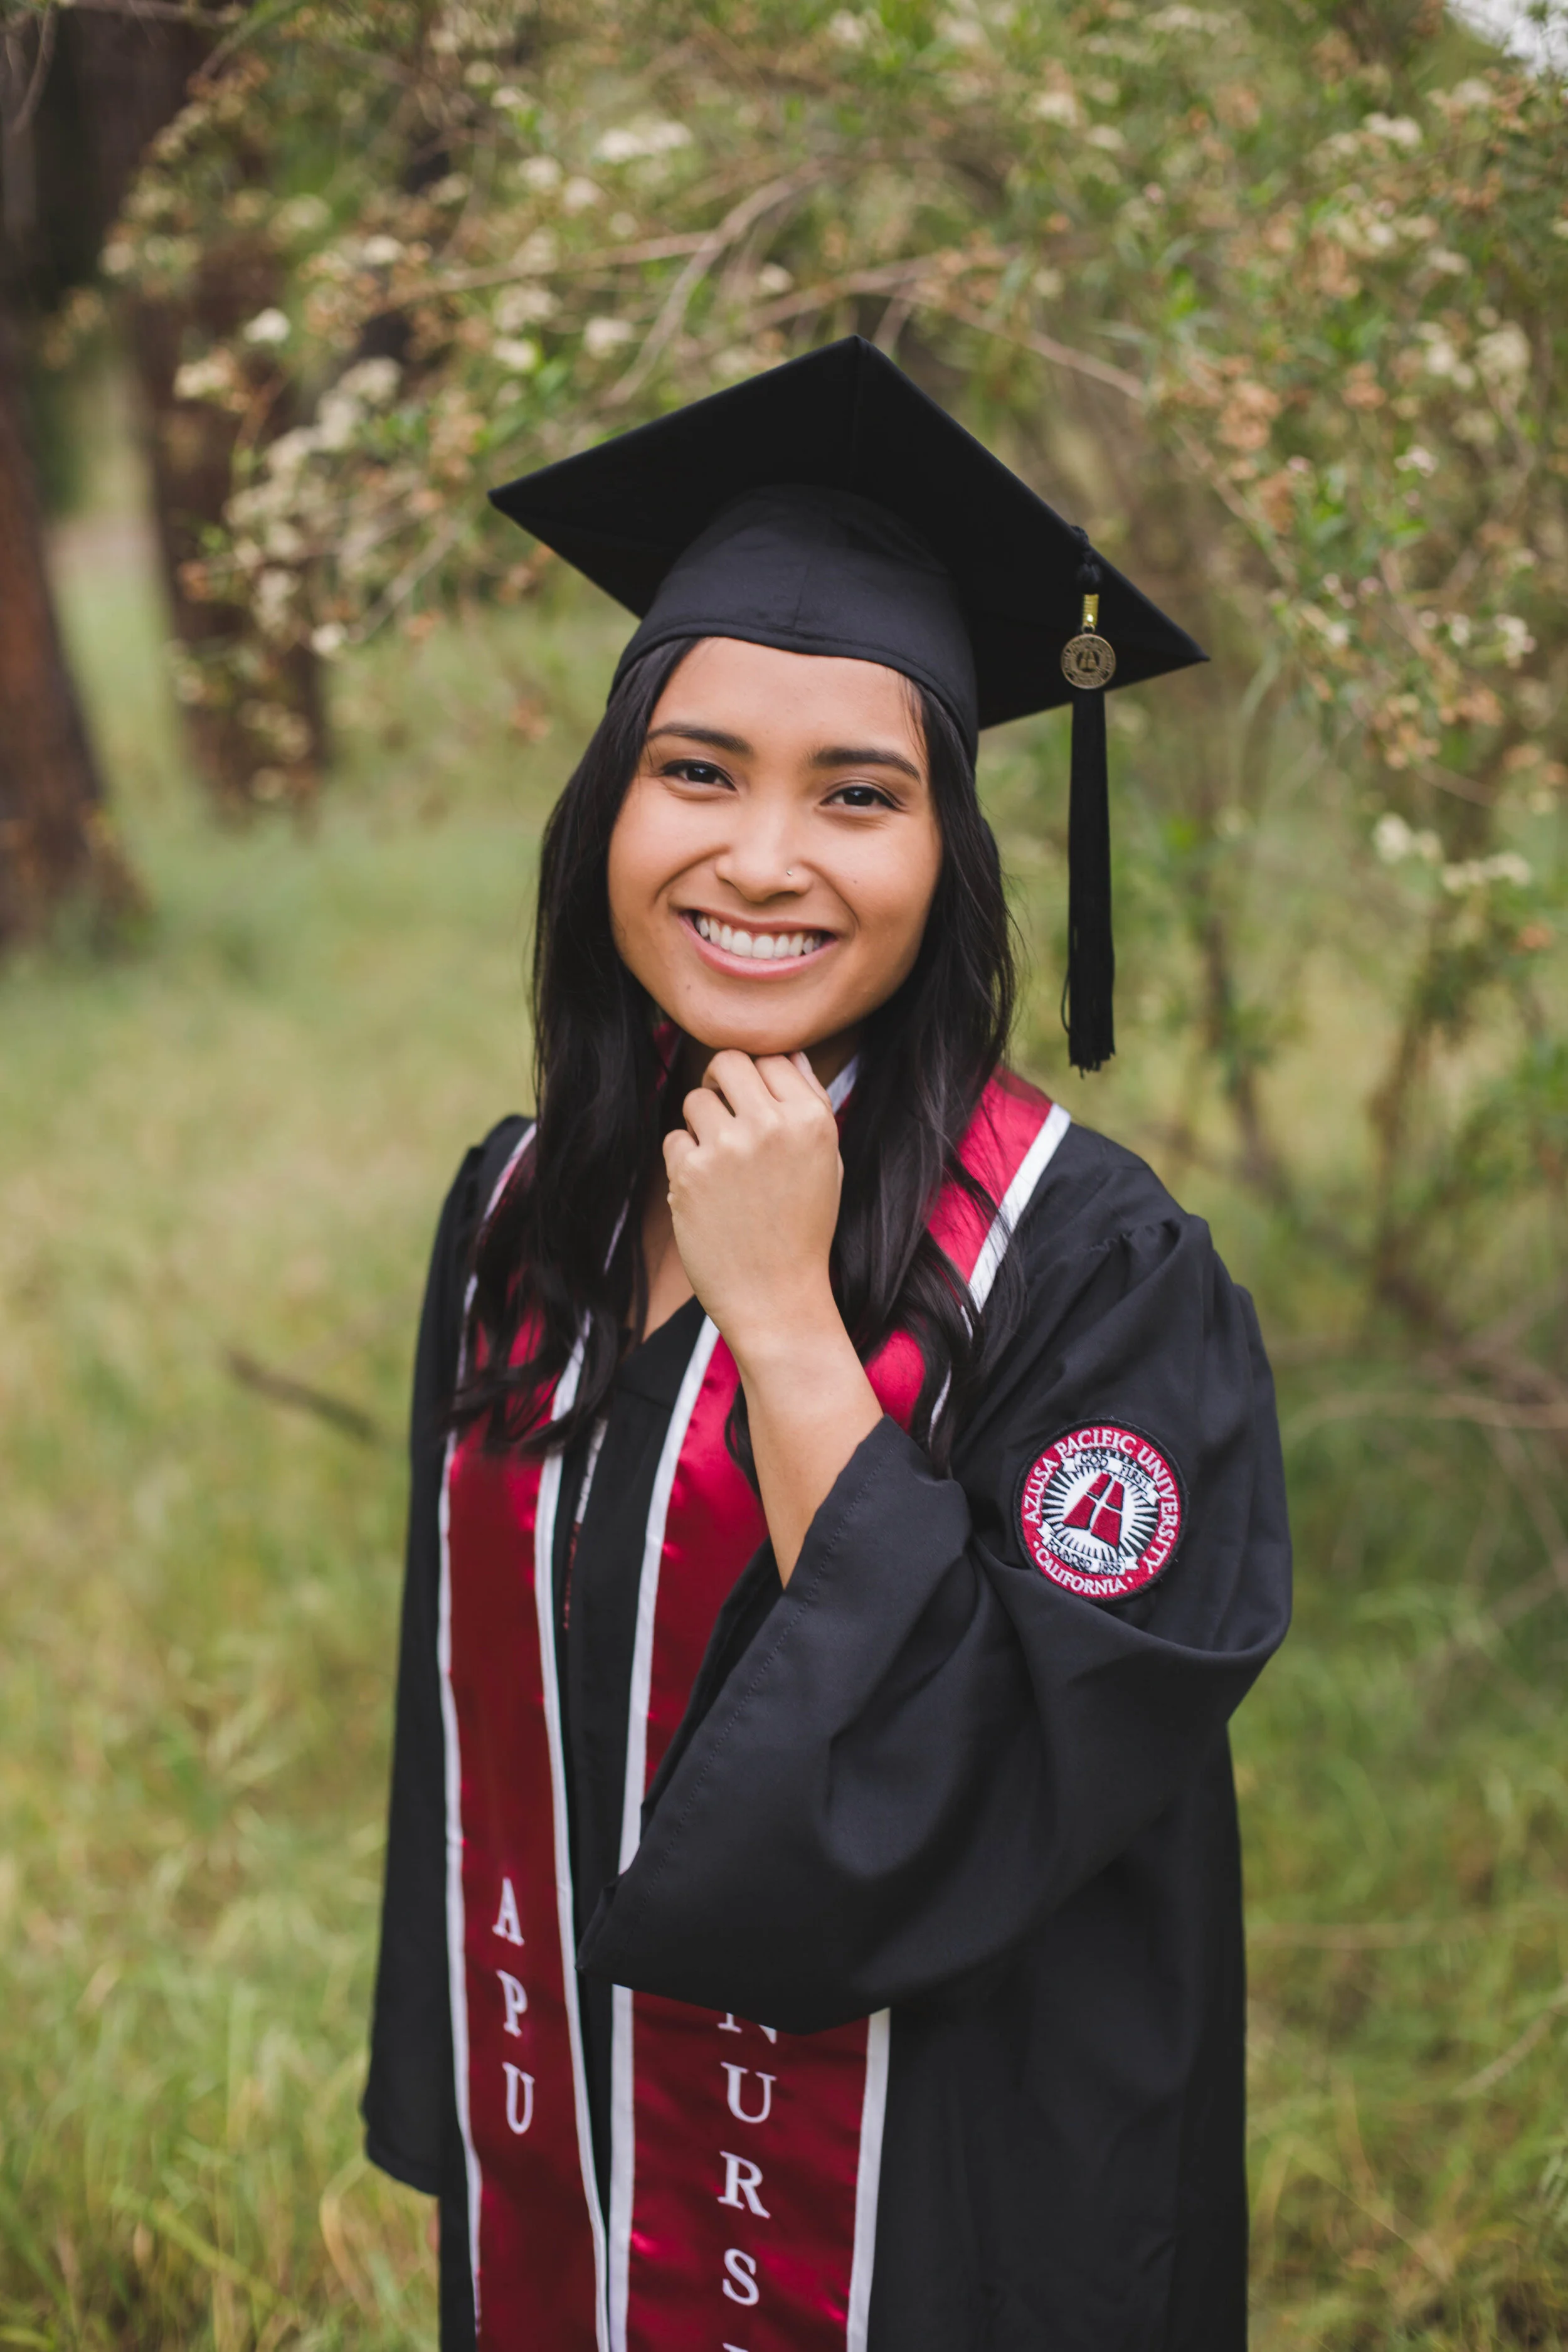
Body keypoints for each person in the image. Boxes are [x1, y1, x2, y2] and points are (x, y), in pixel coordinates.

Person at [363, 337, 1291, 2352]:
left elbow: (1001, 1782)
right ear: (604, 807)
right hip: (580, 2176)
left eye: (853, 795)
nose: (760, 859)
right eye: (695, 772)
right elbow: (483, 1730)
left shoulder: (1093, 1270)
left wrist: (785, 1318)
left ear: (946, 850)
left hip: (944, 2221)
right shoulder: (525, 1214)